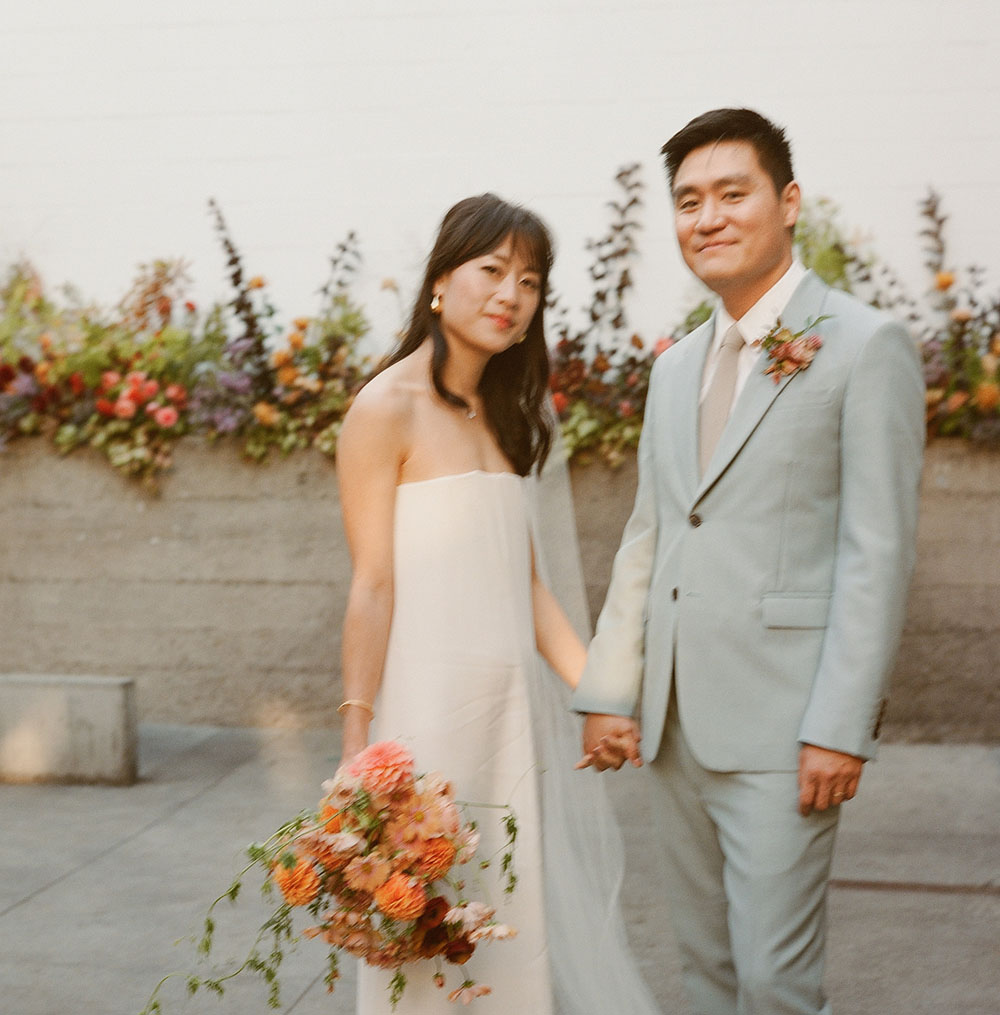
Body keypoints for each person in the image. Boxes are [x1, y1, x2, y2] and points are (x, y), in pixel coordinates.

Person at [574, 108, 925, 1015]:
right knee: (707, 975)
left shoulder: (864, 344)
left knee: (774, 982)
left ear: (789, 201)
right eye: (689, 201)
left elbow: (877, 552)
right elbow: (651, 534)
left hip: (786, 726)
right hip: (674, 725)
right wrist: (611, 688)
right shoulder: (674, 367)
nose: (709, 217)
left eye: (733, 194)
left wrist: (840, 724)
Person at [336, 193, 660, 1015]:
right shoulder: (383, 407)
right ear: (440, 281)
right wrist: (356, 744)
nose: (510, 294)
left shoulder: (506, 414)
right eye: (492, 270)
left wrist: (601, 695)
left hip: (507, 714)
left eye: (530, 281)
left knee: (508, 927)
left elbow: (529, 588)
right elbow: (372, 582)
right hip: (426, 714)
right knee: (422, 931)